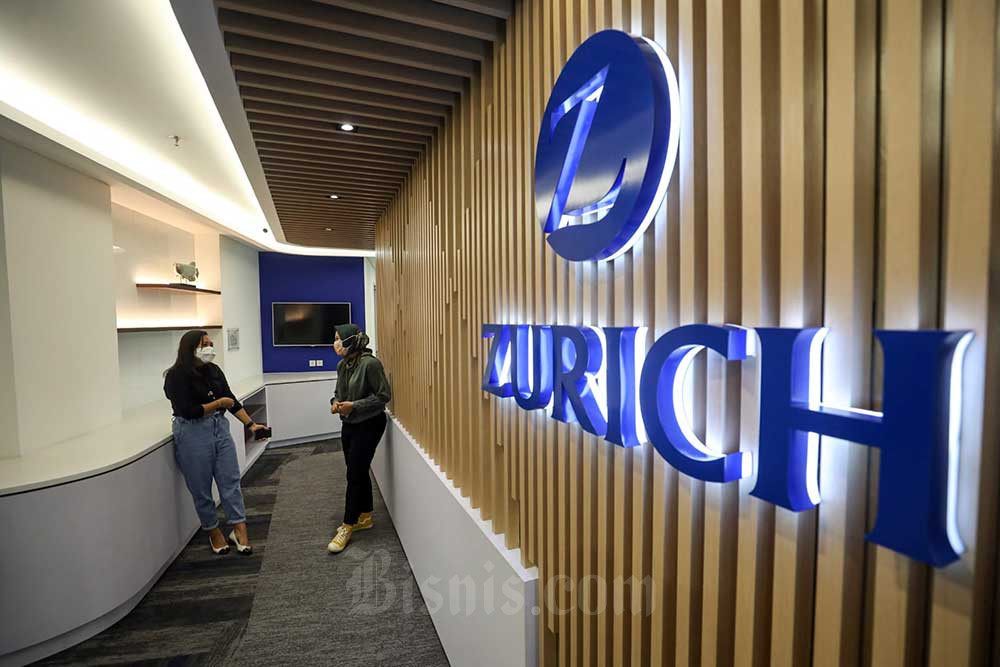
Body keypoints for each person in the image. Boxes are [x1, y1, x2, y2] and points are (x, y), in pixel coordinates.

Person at [163, 330, 268, 555]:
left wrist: (251, 425)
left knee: (230, 481)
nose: (210, 347)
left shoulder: (214, 370)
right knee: (201, 488)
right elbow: (188, 411)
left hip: (219, 427)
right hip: (192, 432)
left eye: (211, 343)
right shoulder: (175, 376)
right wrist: (218, 403)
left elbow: (230, 400)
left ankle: (239, 529)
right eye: (205, 344)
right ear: (190, 348)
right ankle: (213, 531)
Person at [327, 324, 392, 554]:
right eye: (335, 338)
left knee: (354, 474)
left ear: (351, 341)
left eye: (339, 338)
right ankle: (365, 516)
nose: (335, 343)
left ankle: (347, 525)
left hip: (370, 424)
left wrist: (354, 405)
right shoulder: (342, 365)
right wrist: (335, 403)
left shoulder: (370, 364)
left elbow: (384, 396)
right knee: (358, 470)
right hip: (350, 424)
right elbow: (338, 393)